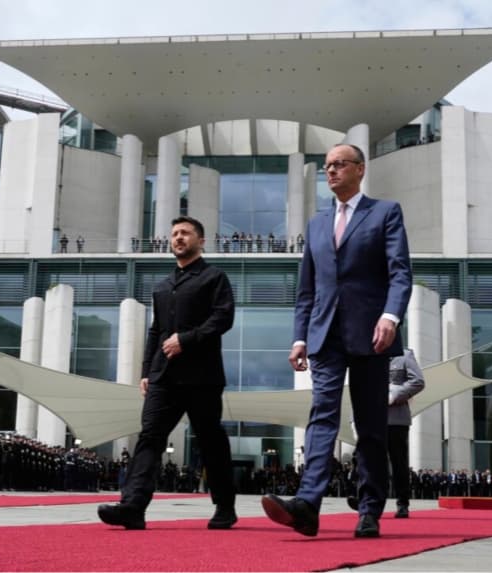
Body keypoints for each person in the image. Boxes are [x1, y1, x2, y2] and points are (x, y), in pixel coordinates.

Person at [261, 143, 412, 538]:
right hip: (324, 335)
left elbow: (400, 272)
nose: (330, 171)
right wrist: (299, 337)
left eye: (339, 164)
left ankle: (369, 508)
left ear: (360, 169)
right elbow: (307, 289)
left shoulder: (385, 212)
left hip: (372, 336)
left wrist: (390, 316)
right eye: (327, 166)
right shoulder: (317, 224)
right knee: (321, 415)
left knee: (371, 425)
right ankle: (307, 504)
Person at [98, 215, 238, 531]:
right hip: (164, 378)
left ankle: (225, 506)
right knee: (149, 437)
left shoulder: (214, 278)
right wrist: (147, 371)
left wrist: (186, 340)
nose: (178, 238)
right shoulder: (162, 286)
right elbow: (156, 331)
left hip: (202, 377)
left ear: (201, 241)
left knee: (210, 440)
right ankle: (133, 507)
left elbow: (223, 318)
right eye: (174, 234)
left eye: (185, 233)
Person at [345, 348, 425, 518]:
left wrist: (395, 393)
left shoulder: (404, 355)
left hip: (395, 419)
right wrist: (354, 419)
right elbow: (358, 390)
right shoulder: (366, 355)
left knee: (398, 462)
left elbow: (418, 381)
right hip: (369, 417)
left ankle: (402, 503)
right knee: (364, 459)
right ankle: (363, 498)